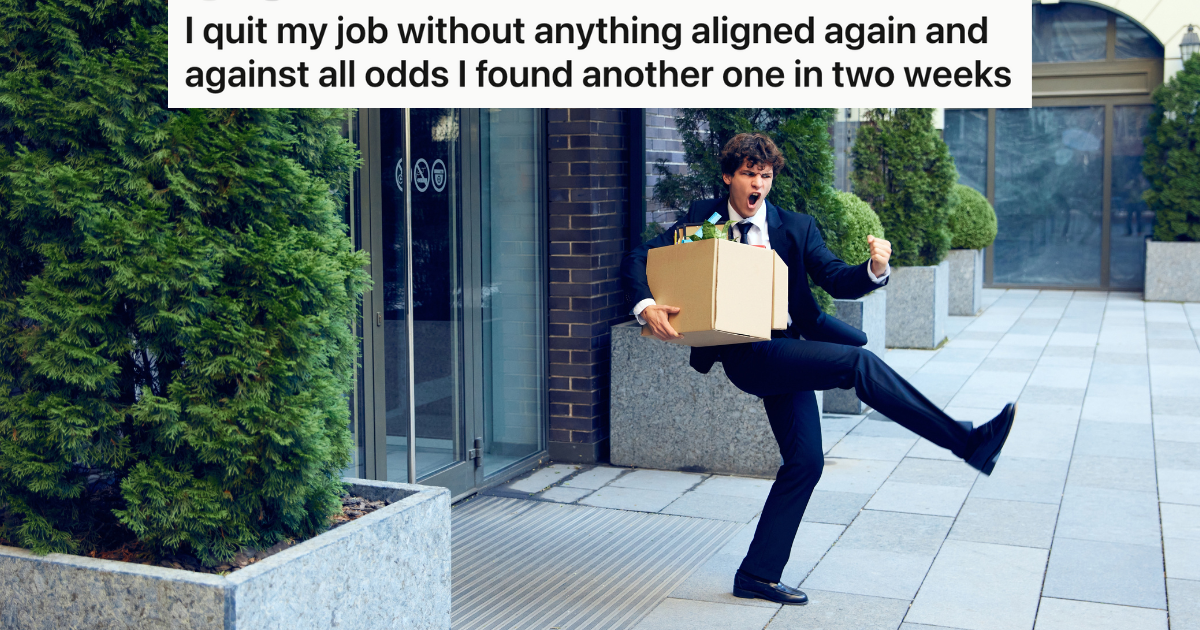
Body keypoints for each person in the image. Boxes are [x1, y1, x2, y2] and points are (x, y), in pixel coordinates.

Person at [620, 133, 1016, 606]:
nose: (758, 185)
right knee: (857, 365)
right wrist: (646, 306)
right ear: (728, 176)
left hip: (787, 348)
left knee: (806, 462)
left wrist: (873, 268)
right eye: (748, 174)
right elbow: (639, 256)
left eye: (765, 176)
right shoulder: (702, 218)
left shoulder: (795, 227)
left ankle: (757, 575)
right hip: (746, 354)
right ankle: (966, 441)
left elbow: (835, 277)